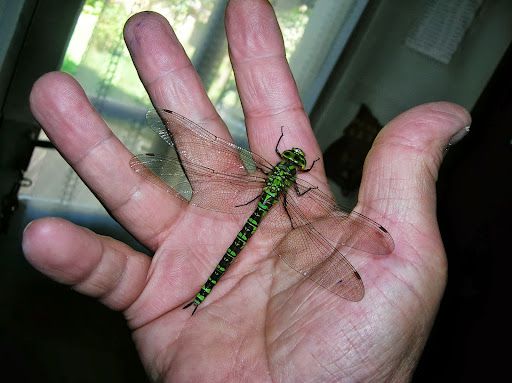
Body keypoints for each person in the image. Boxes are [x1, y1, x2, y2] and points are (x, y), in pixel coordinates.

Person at [22, 1, 471, 381]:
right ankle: (203, 294)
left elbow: (274, 163)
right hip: (265, 206)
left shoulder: (271, 172)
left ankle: (202, 293)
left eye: (294, 162)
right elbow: (294, 180)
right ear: (292, 168)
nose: (293, 162)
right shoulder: (292, 181)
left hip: (257, 201)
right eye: (293, 161)